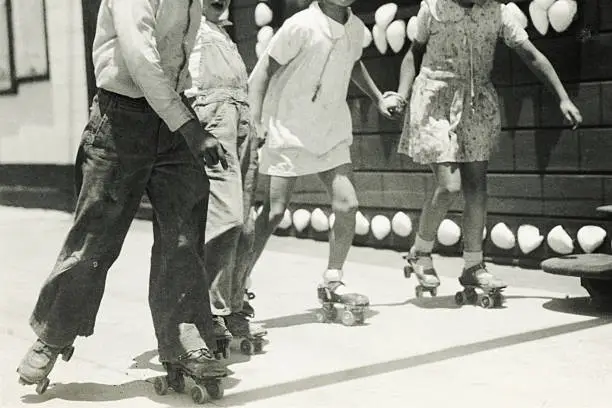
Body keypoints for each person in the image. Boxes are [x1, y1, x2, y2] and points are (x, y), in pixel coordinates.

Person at [17, 0, 229, 394]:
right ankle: (53, 334)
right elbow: (140, 57)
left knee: (183, 238)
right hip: (120, 119)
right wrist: (191, 129)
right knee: (95, 239)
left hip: (174, 117)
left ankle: (186, 341)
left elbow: (182, 59)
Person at [385, 0, 582, 295]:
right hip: (434, 100)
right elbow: (414, 53)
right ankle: (420, 252)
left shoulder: (498, 12)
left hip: (476, 103)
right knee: (450, 186)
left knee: (477, 187)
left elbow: (531, 55)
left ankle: (474, 266)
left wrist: (562, 97)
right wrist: (401, 94)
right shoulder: (432, 8)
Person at [247, 0, 396, 324]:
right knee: (274, 212)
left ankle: (332, 279)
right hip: (287, 127)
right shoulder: (299, 25)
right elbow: (263, 72)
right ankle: (237, 284)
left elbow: (353, 62)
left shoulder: (356, 28)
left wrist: (378, 97)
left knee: (347, 205)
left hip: (330, 130)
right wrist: (255, 119)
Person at [186, 0, 267, 350]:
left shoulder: (222, 33)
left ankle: (233, 306)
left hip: (242, 123)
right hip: (214, 124)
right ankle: (210, 310)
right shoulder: (190, 31)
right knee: (226, 219)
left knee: (246, 227)